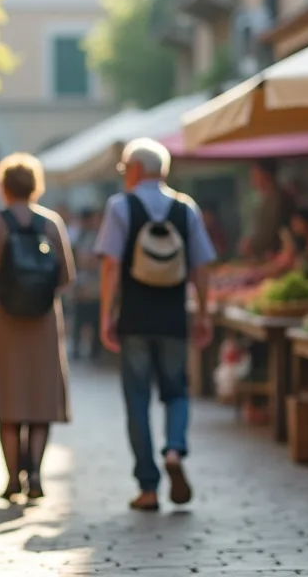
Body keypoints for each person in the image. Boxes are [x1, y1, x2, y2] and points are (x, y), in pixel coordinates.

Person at [95, 138, 216, 512]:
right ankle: (175, 451)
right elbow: (201, 264)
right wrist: (203, 312)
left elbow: (111, 265)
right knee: (176, 391)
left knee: (137, 400)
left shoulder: (121, 206)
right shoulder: (185, 208)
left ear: (134, 170)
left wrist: (106, 315)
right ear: (162, 171)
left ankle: (148, 488)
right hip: (173, 316)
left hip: (134, 316)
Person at [0, 153, 75, 501]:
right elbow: (67, 276)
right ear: (36, 185)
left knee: (7, 397)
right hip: (42, 321)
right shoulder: (51, 223)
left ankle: (13, 479)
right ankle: (37, 476)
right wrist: (39, 294)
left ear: (4, 185)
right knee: (40, 399)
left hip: (2, 321)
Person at [242, 159, 293, 260]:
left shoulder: (282, 199)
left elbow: (284, 231)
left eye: (255, 174)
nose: (252, 179)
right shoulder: (263, 201)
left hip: (279, 258)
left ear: (266, 175)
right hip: (263, 257)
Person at [70, 207, 103, 359]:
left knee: (93, 318)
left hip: (94, 285)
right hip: (84, 284)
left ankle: (94, 351)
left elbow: (89, 260)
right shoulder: (82, 235)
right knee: (81, 318)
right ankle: (80, 349)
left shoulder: (96, 236)